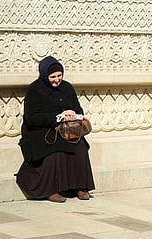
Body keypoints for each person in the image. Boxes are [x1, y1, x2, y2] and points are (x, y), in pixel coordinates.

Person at [16, 56, 95, 202]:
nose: (56, 80)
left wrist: (73, 115)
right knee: (54, 147)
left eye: (59, 76)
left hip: (66, 128)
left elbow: (78, 109)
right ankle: (50, 189)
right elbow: (32, 118)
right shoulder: (35, 89)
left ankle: (79, 187)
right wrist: (58, 117)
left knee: (80, 146)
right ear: (45, 75)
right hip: (41, 129)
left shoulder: (67, 87)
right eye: (52, 77)